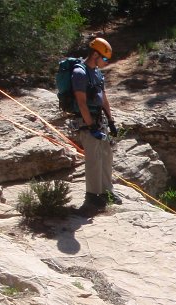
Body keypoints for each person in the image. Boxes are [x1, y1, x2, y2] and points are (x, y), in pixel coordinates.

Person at [73, 37, 121, 209]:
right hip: (87, 122)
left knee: (106, 155)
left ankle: (107, 191)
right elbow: (81, 102)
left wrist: (111, 120)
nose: (106, 62)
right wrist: (90, 125)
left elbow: (103, 98)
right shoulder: (80, 73)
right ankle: (92, 196)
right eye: (105, 59)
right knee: (94, 158)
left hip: (100, 121)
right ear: (95, 54)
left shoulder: (98, 73)